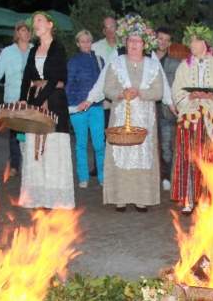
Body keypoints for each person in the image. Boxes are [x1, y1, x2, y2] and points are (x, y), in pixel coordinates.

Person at [102, 14, 164, 212]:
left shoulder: (153, 66)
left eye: (138, 41)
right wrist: (121, 93)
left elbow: (159, 92)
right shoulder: (116, 63)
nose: (134, 44)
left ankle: (142, 198)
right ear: (125, 42)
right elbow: (108, 89)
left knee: (142, 156)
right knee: (121, 153)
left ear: (144, 44)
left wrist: (141, 93)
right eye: (130, 41)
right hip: (121, 115)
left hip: (145, 119)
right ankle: (120, 197)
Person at [170, 24, 213, 213]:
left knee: (210, 159)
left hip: (211, 118)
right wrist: (189, 96)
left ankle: (207, 198)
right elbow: (177, 90)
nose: (192, 44)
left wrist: (212, 96)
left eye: (196, 41)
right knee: (188, 158)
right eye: (190, 41)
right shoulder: (183, 66)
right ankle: (189, 198)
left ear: (205, 43)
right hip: (190, 118)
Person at [18, 11, 73, 209]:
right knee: (35, 147)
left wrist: (39, 100)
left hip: (54, 102)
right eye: (34, 22)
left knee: (53, 146)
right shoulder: (33, 51)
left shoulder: (58, 48)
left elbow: (57, 79)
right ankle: (38, 196)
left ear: (50, 25)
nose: (36, 24)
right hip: (35, 99)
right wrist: (24, 100)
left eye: (39, 20)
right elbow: (27, 77)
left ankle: (55, 198)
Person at [0, 20, 31, 177]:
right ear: (17, 33)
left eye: (27, 30)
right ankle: (15, 166)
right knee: (15, 136)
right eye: (22, 30)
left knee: (31, 135)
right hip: (13, 100)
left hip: (32, 100)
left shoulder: (35, 50)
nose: (25, 33)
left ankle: (31, 167)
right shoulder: (8, 52)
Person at [66, 29, 105, 188]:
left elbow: (103, 84)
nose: (86, 44)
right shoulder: (73, 61)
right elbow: (68, 86)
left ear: (92, 42)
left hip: (96, 107)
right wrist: (74, 105)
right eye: (82, 41)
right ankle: (83, 177)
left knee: (99, 144)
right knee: (81, 143)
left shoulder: (99, 60)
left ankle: (103, 177)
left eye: (88, 41)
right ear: (77, 43)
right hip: (78, 108)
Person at [155, 26, 180, 192]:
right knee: (147, 146)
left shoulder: (175, 64)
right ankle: (149, 178)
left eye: (166, 39)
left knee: (166, 147)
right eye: (160, 38)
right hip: (146, 110)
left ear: (169, 43)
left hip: (166, 112)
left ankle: (165, 177)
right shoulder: (145, 60)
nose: (162, 42)